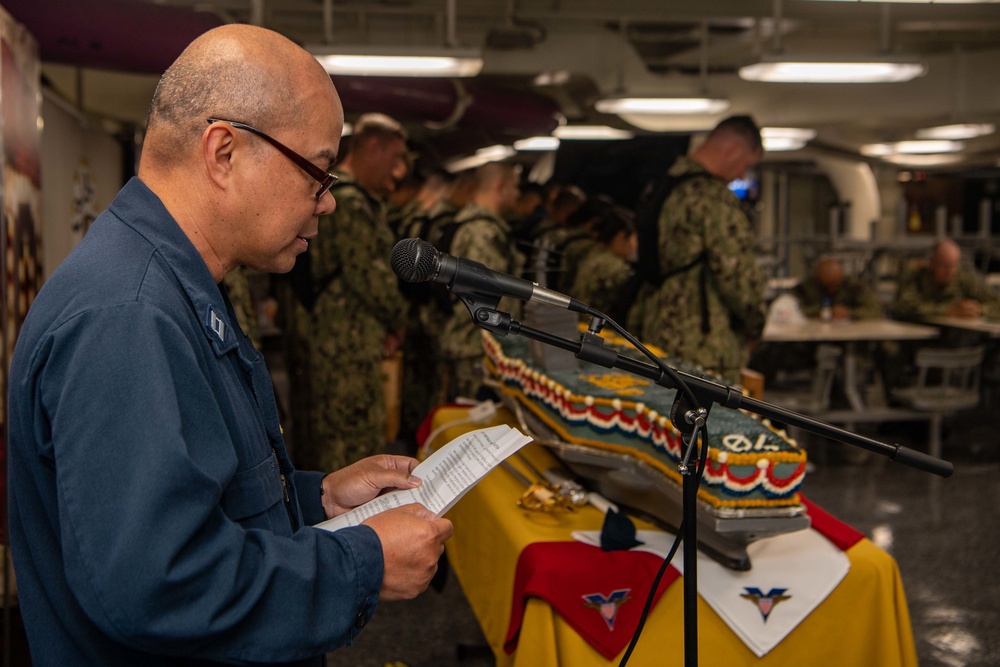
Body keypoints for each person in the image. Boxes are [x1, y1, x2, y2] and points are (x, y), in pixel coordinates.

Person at [6, 25, 452, 666]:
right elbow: (160, 583)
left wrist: (316, 499)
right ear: (224, 152)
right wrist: (361, 562)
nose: (326, 203)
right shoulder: (128, 316)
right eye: (316, 172)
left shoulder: (169, 284)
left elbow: (198, 498)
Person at [287, 112, 409, 473]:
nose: (399, 170)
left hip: (330, 340)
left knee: (327, 437)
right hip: (347, 347)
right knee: (352, 449)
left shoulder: (340, 195)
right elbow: (372, 280)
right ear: (372, 148)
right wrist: (400, 320)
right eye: (395, 157)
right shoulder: (352, 204)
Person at [626, 115, 767, 385]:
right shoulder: (713, 198)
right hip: (703, 347)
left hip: (654, 331)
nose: (740, 176)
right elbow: (737, 277)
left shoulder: (661, 188)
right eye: (745, 165)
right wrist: (756, 325)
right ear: (733, 149)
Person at [439, 162, 522, 399]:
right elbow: (491, 296)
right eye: (514, 187)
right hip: (476, 347)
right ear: (499, 186)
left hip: (470, 344)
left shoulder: (466, 223)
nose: (517, 195)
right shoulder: (482, 232)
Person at [894, 238, 1000, 321]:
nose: (950, 271)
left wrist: (978, 310)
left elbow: (996, 303)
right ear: (932, 263)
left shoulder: (964, 280)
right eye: (944, 266)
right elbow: (905, 307)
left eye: (954, 266)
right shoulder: (915, 278)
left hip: (956, 336)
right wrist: (948, 311)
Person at [569, 202, 638, 320]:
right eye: (634, 238)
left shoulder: (591, 256)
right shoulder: (616, 267)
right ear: (620, 237)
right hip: (604, 332)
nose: (635, 244)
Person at [793, 256, 883, 321]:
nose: (832, 289)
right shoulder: (805, 288)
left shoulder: (854, 287)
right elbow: (791, 311)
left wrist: (849, 313)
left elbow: (876, 310)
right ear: (818, 279)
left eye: (836, 284)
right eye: (828, 285)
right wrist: (821, 311)